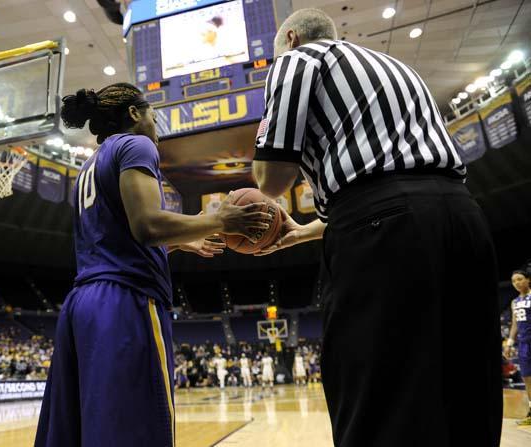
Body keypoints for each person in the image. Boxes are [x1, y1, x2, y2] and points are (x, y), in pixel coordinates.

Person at [252, 8, 501, 446]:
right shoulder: (399, 68)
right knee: (466, 387)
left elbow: (273, 180)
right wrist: (308, 229)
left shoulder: (297, 60)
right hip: (462, 216)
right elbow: (397, 180)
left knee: (378, 399)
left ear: (290, 37)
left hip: (382, 229)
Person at [34, 83, 272, 447]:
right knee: (137, 428)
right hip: (124, 303)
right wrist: (219, 220)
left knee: (82, 428)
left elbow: (115, 241)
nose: (156, 127)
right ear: (134, 114)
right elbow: (146, 226)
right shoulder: (136, 145)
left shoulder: (90, 164)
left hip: (82, 304)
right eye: (153, 116)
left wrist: (179, 241)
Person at [505, 270, 531, 425]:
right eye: (514, 281)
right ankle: (530, 411)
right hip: (523, 343)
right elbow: (514, 324)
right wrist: (509, 342)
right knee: (527, 378)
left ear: (528, 279)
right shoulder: (515, 302)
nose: (517, 283)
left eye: (520, 279)